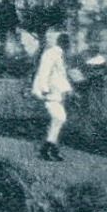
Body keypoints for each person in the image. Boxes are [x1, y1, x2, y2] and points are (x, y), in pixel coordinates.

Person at [31, 30, 74, 161]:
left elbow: (60, 74)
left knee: (58, 120)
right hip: (49, 91)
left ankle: (51, 149)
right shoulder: (52, 53)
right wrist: (44, 89)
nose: (68, 45)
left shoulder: (59, 54)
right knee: (59, 118)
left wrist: (68, 89)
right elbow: (44, 72)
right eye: (66, 42)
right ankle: (46, 149)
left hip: (57, 92)